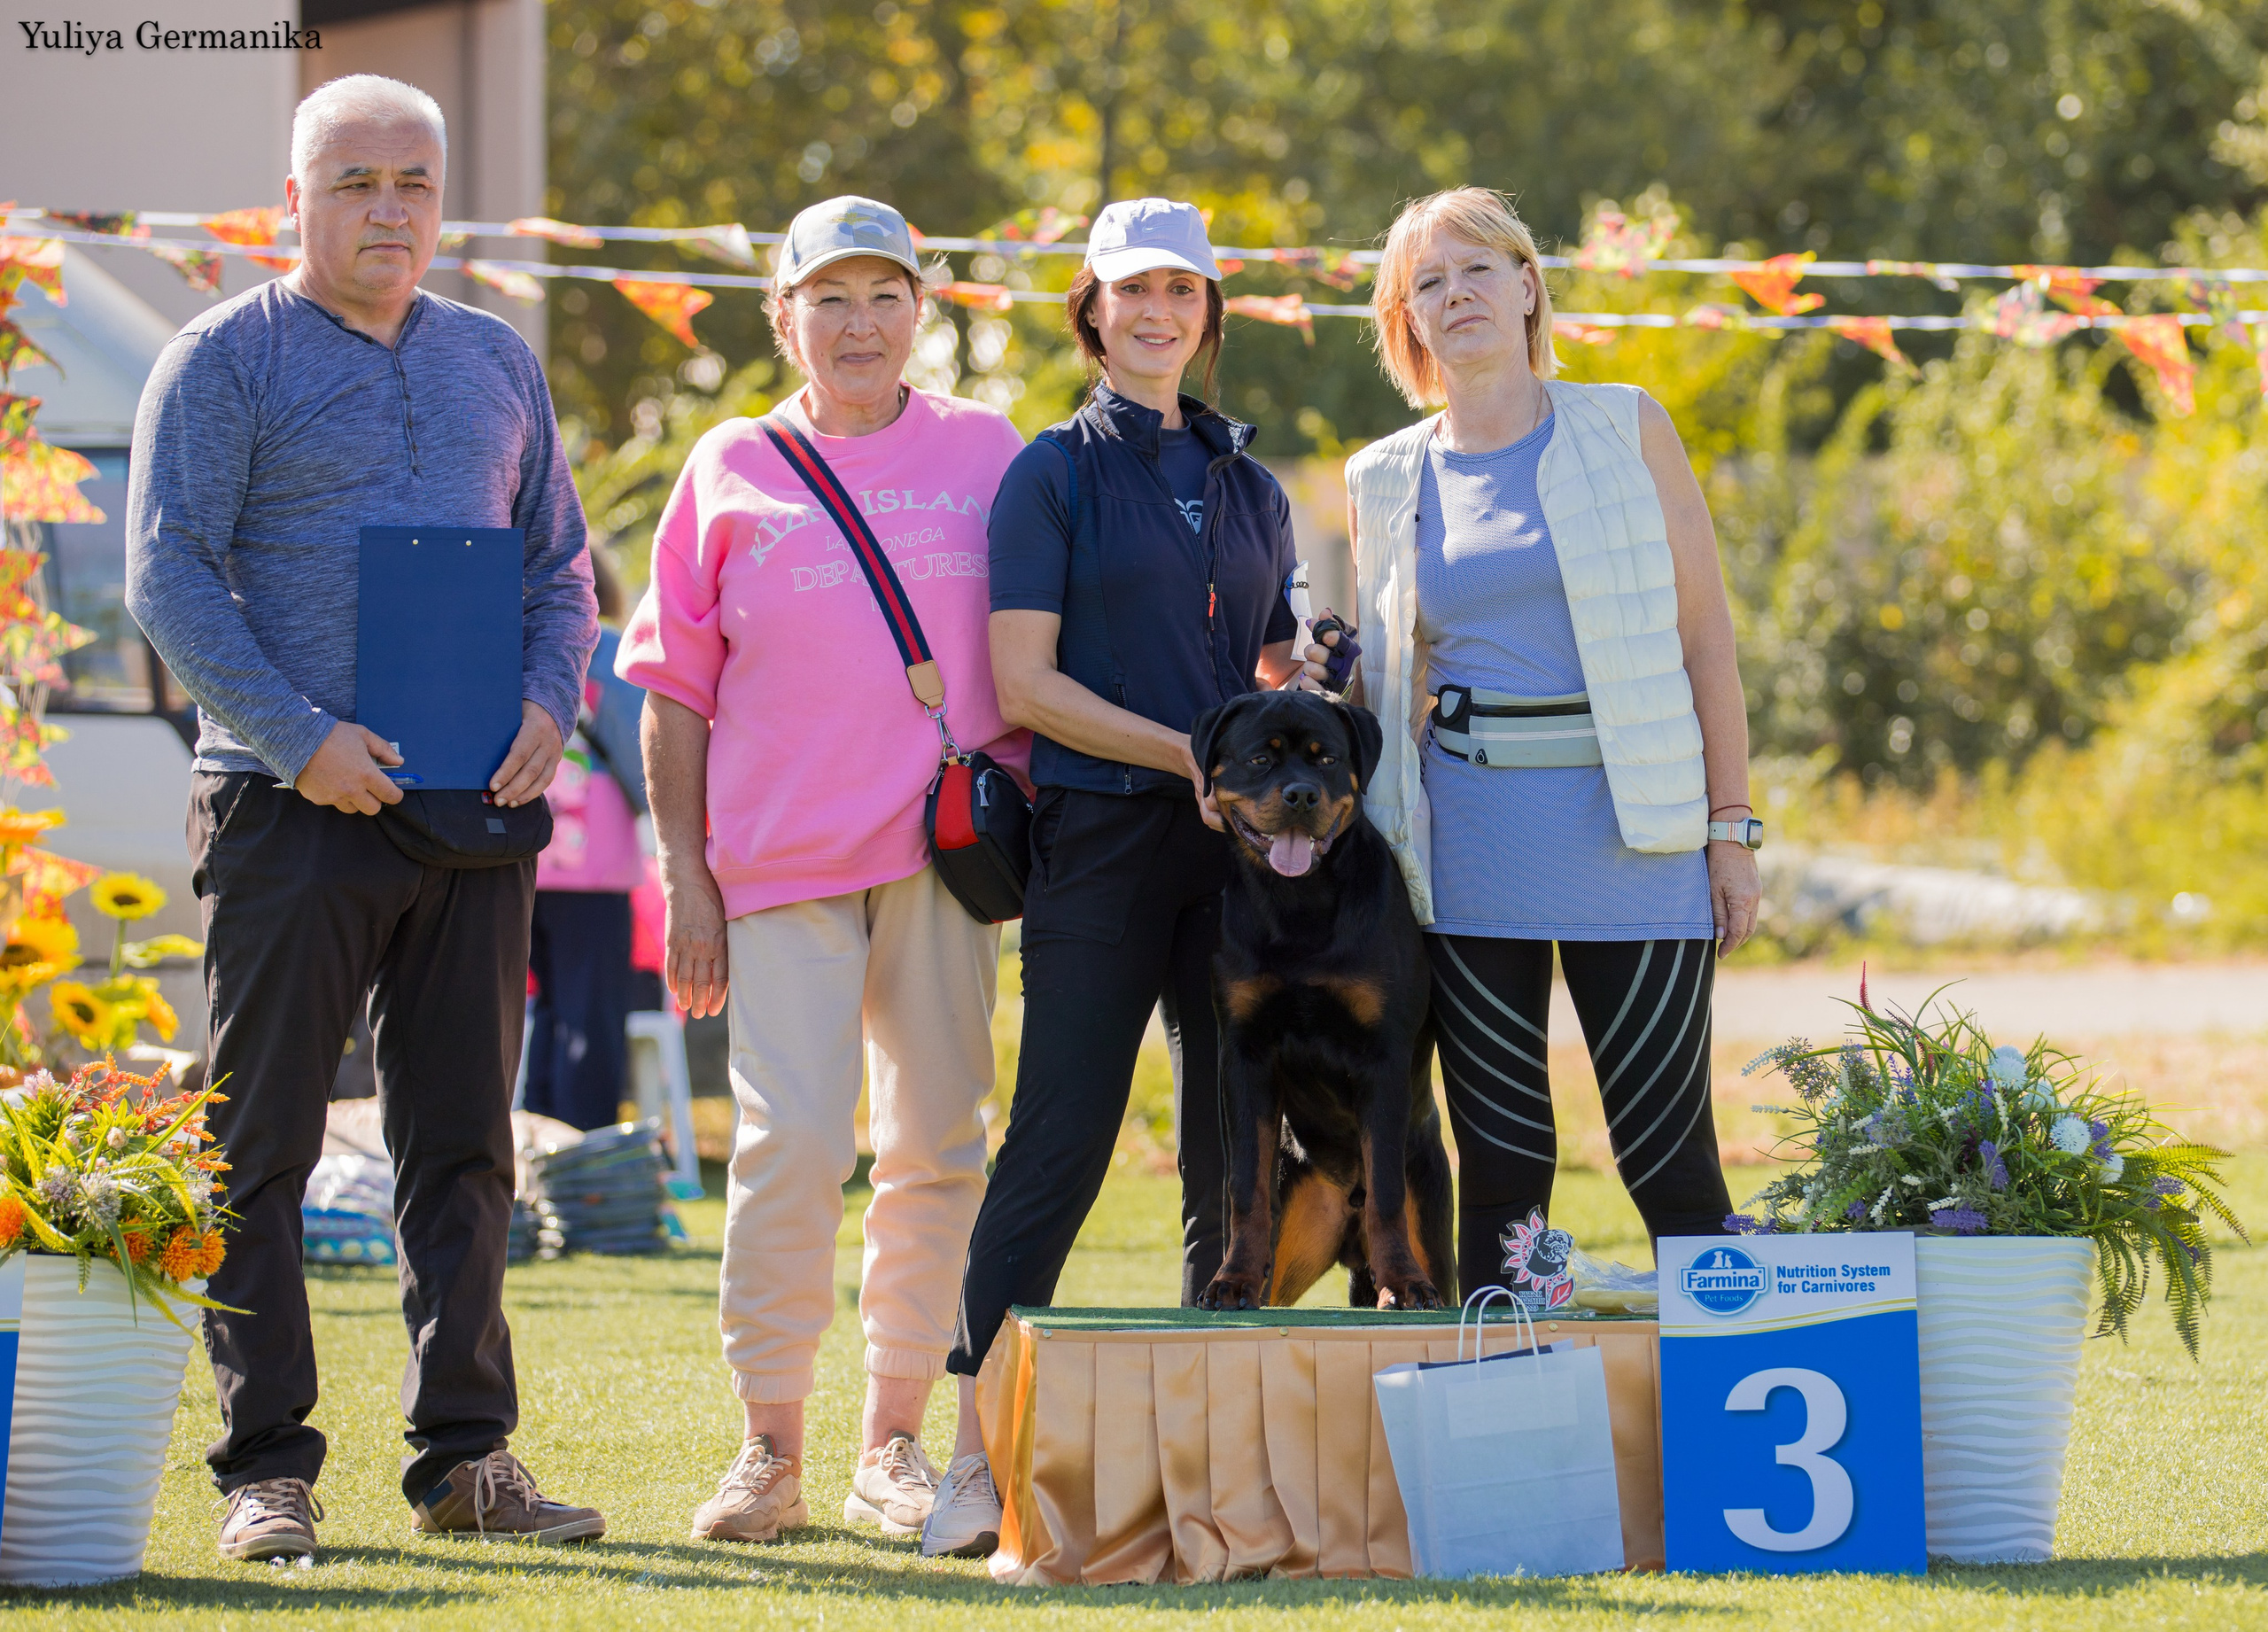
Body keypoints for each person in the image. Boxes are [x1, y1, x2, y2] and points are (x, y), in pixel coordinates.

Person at [123, 74, 604, 1562]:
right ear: (293, 199)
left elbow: (564, 569)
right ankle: (265, 1468)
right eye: (353, 182)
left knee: (461, 1149)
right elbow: (168, 579)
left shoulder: (494, 363)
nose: (387, 208)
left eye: (411, 181)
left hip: (474, 808)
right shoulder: (219, 362)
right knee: (257, 1145)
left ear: (442, 198)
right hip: (287, 811)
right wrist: (301, 737)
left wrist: (547, 701)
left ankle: (467, 1457)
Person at [617, 195, 1029, 1547]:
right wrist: (684, 871)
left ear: (927, 307)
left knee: (934, 1148)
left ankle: (892, 1445)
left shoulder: (989, 451)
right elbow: (672, 692)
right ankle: (768, 1450)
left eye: (885, 294)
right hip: (777, 864)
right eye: (830, 297)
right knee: (790, 1146)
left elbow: (1044, 639)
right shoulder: (729, 461)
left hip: (944, 861)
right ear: (781, 315)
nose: (859, 322)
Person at [921, 197, 1305, 1559]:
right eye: (1131, 291)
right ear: (1091, 309)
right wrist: (1188, 756)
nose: (1157, 313)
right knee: (1059, 1145)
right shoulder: (1051, 474)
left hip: (1246, 865)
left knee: (1234, 1144)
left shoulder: (1255, 486)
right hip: (1099, 843)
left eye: (1182, 294)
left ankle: (1219, 1463)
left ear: (1209, 314)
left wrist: (1302, 685)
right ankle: (972, 1463)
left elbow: (1266, 662)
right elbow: (1027, 684)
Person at [1333, 186, 1762, 1294]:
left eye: (1477, 268)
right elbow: (1386, 678)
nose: (1455, 293)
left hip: (1643, 837)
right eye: (1426, 282)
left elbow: (1706, 640)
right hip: (1469, 849)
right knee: (1505, 1167)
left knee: (1670, 1163)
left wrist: (1731, 827)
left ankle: (1723, 1437)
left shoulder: (1626, 425)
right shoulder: (1380, 476)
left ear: (1529, 285)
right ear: (1406, 321)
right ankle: (1499, 1427)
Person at [525, 548, 650, 1132]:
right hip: (594, 867)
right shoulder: (611, 650)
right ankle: (587, 1157)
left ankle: (535, 1145)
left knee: (540, 1014)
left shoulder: (514, 645)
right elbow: (643, 755)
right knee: (592, 1017)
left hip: (517, 855)